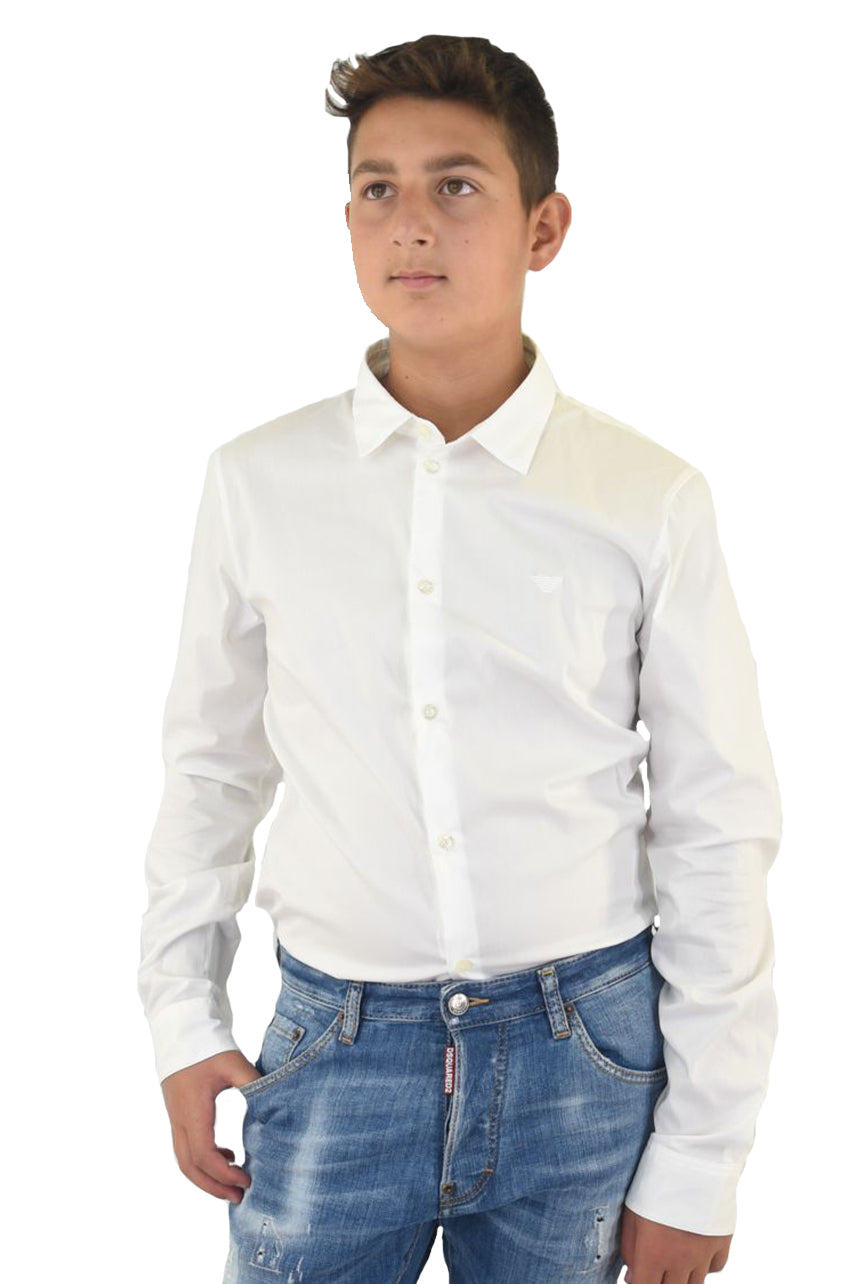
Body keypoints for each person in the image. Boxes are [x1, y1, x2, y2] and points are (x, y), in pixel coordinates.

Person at [137, 33, 782, 1284]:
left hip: (582, 1057)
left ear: (543, 228)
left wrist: (702, 1158)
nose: (412, 223)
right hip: (332, 1050)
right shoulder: (257, 484)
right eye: (377, 188)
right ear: (346, 221)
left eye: (456, 184)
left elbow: (716, 820)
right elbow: (210, 769)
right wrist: (180, 1015)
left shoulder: (644, 497)